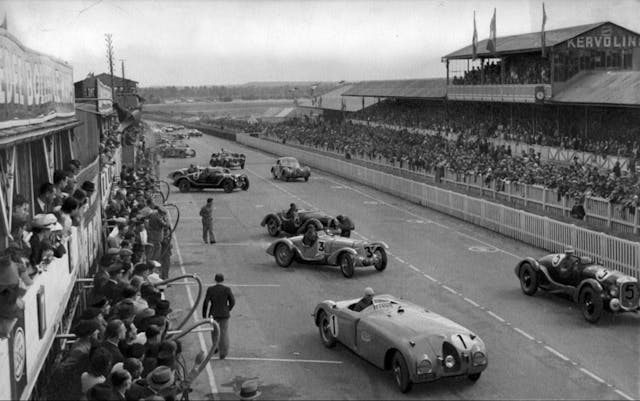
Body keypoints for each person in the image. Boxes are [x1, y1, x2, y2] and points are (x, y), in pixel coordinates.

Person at [202, 273, 235, 359]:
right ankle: (223, 352)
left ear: (215, 280)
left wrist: (204, 314)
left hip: (214, 314)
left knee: (214, 332)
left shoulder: (210, 289)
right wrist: (228, 309)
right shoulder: (227, 289)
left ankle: (215, 347)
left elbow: (206, 302)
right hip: (224, 314)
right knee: (224, 332)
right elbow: (232, 302)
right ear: (223, 280)